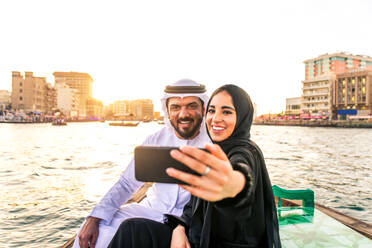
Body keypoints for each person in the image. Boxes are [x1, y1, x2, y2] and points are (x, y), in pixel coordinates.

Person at [108, 84, 281, 248]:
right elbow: (193, 205)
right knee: (133, 228)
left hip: (218, 243)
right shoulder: (217, 149)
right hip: (195, 234)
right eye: (212, 111)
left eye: (227, 112)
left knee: (131, 231)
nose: (216, 118)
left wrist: (231, 188)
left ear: (242, 116)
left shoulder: (245, 151)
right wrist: (180, 227)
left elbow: (242, 178)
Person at [72, 79, 211, 248]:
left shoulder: (214, 143)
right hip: (151, 211)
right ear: (167, 111)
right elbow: (126, 183)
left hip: (187, 222)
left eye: (191, 106)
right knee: (95, 231)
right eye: (176, 107)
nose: (183, 114)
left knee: (133, 231)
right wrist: (94, 217)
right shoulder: (155, 140)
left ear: (203, 109)